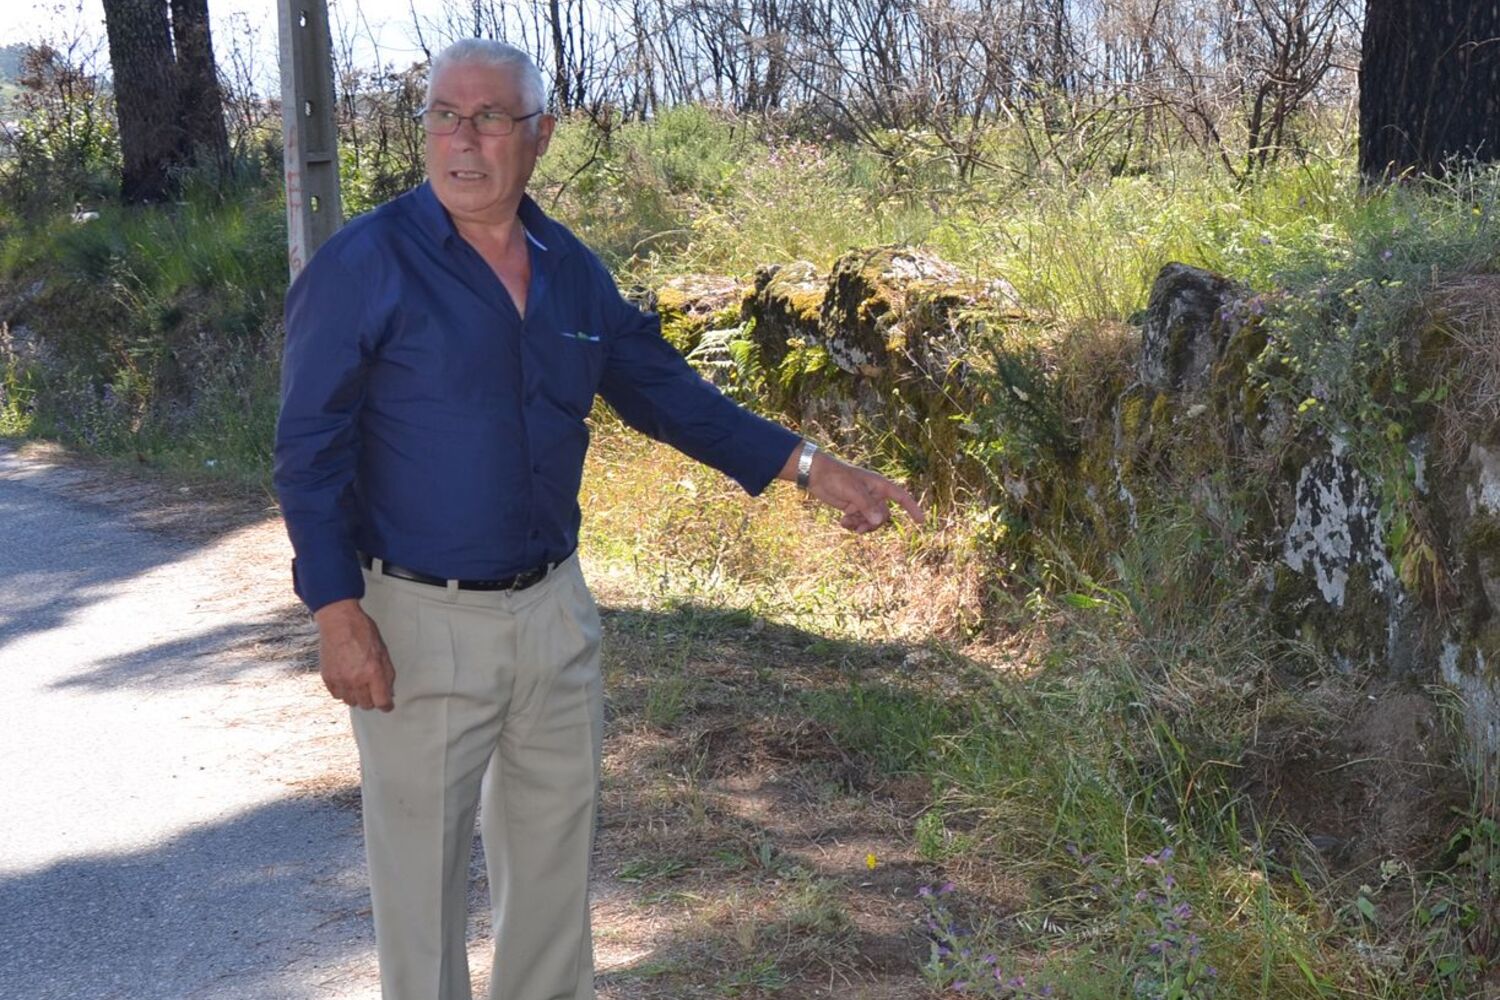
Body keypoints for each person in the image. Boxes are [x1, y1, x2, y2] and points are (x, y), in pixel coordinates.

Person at [273, 37, 923, 1000]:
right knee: (420, 891)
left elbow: (667, 394)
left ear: (538, 136)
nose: (463, 138)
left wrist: (808, 466)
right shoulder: (362, 265)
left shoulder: (570, 269)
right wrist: (336, 611)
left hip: (553, 617)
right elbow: (309, 450)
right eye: (444, 115)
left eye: (490, 118)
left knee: (551, 881)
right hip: (416, 621)